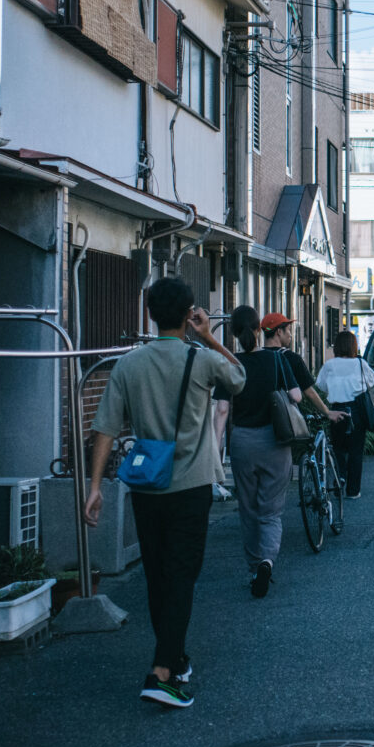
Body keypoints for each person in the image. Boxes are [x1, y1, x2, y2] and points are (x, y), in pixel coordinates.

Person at [86, 276, 244, 708]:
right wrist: (209, 336)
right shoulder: (202, 359)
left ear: (151, 314)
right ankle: (160, 672)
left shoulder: (128, 364)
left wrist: (96, 486)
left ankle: (174, 657)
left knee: (158, 575)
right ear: (189, 313)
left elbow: (103, 426)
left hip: (146, 486)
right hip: (191, 486)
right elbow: (240, 378)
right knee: (182, 576)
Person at [219, 305, 301, 600]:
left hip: (242, 441)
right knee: (271, 510)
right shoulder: (275, 360)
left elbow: (222, 410)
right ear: (258, 330)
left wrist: (217, 456)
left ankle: (254, 567)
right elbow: (295, 395)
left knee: (248, 509)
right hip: (274, 441)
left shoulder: (229, 363)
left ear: (234, 333)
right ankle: (267, 561)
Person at [316, 330, 374, 498]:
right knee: (356, 451)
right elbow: (371, 381)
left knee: (338, 448)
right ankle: (353, 490)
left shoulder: (329, 365)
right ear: (353, 346)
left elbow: (320, 385)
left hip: (335, 409)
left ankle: (340, 476)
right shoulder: (360, 363)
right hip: (356, 409)